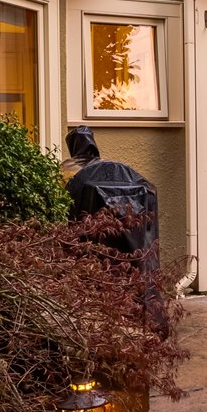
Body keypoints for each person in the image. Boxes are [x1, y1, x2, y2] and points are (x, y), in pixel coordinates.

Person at [60, 126, 167, 331]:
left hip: (96, 249)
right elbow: (149, 190)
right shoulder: (119, 170)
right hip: (136, 246)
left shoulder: (68, 171)